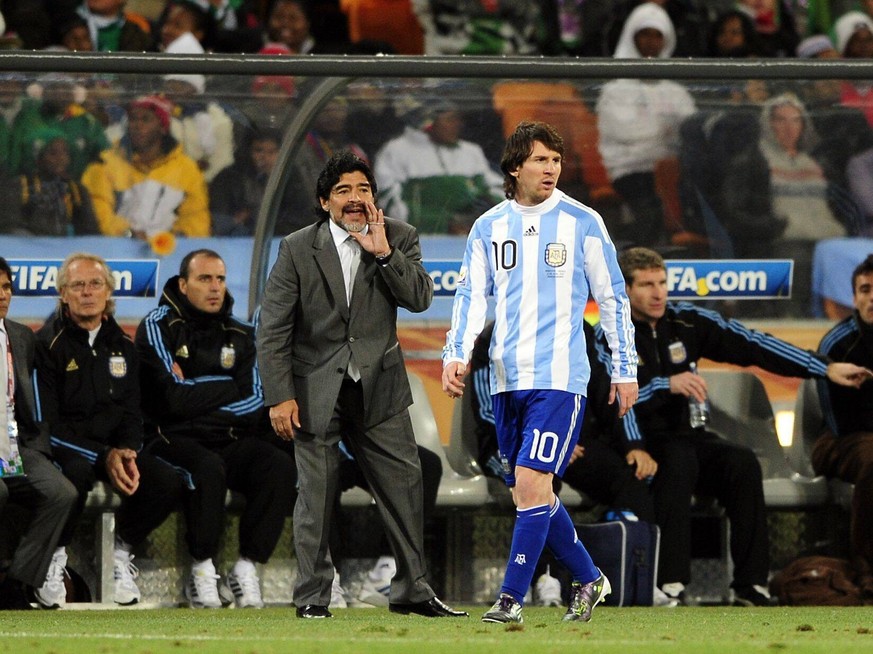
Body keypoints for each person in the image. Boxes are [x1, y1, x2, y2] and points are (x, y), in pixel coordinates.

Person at [442, 120, 639, 624]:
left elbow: (613, 297)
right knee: (530, 493)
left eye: (556, 159)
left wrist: (623, 367)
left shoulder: (583, 221)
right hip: (507, 379)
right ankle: (591, 578)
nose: (551, 168)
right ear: (515, 168)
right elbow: (471, 296)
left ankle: (510, 599)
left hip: (560, 378)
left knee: (531, 482)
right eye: (540, 159)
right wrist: (455, 353)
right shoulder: (489, 226)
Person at [257, 150, 466, 619]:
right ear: (324, 201)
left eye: (364, 190)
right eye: (344, 191)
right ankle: (313, 597)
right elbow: (273, 329)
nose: (356, 199)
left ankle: (413, 591)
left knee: (405, 487)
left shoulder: (400, 236)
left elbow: (419, 298)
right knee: (316, 496)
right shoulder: (296, 247)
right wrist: (280, 396)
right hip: (315, 386)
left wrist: (384, 253)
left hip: (380, 386)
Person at [613, 246, 873, 607]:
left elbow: (752, 344)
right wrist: (664, 386)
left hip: (688, 433)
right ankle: (671, 582)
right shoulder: (610, 333)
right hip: (639, 439)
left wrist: (823, 367)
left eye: (662, 282)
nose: (658, 293)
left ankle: (750, 585)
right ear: (625, 290)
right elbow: (604, 397)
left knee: (742, 462)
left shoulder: (687, 321)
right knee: (679, 460)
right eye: (646, 285)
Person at [135, 249, 296, 609]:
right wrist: (226, 386)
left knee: (278, 465)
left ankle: (245, 567)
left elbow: (255, 401)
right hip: (170, 439)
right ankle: (202, 573)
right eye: (204, 279)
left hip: (227, 436)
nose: (215, 288)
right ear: (183, 284)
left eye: (220, 279)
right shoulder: (158, 324)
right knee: (208, 468)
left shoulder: (242, 333)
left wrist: (193, 394)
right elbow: (168, 399)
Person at [35, 253, 184, 607]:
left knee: (167, 481)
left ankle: (121, 553)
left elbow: (133, 412)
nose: (87, 292)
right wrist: (104, 455)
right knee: (73, 477)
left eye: (95, 284)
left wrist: (129, 450)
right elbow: (46, 426)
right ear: (63, 295)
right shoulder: (46, 345)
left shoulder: (124, 347)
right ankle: (54, 561)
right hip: (67, 449)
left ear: (109, 293)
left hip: (114, 450)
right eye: (78, 285)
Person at [0, 256, 77, 610]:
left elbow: (31, 400)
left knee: (61, 492)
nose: (2, 296)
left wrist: (39, 447)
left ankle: (18, 581)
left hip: (15, 445)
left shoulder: (20, 336)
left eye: (5, 287)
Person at [596, 3, 696, 247]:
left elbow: (692, 130)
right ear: (632, 36)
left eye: (657, 35)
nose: (651, 42)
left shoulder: (676, 90)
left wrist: (658, 131)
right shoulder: (615, 88)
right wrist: (665, 130)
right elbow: (625, 132)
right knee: (650, 206)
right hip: (631, 169)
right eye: (644, 34)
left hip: (676, 169)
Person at [814, 253, 873, 596]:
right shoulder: (838, 343)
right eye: (865, 290)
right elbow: (838, 419)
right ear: (854, 298)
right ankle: (866, 568)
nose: (872, 298)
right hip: (838, 439)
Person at [81, 94, 210, 238]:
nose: (137, 125)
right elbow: (97, 210)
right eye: (133, 119)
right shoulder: (105, 163)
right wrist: (128, 234)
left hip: (169, 251)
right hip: (116, 248)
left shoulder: (186, 168)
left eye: (146, 119)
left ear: (162, 127)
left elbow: (196, 216)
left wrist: (178, 237)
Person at [374, 99, 504, 234]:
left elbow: (498, 190)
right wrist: (444, 223)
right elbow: (390, 203)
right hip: (420, 239)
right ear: (428, 124)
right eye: (450, 120)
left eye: (457, 119)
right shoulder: (396, 150)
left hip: (471, 235)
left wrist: (481, 217)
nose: (457, 125)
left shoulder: (471, 151)